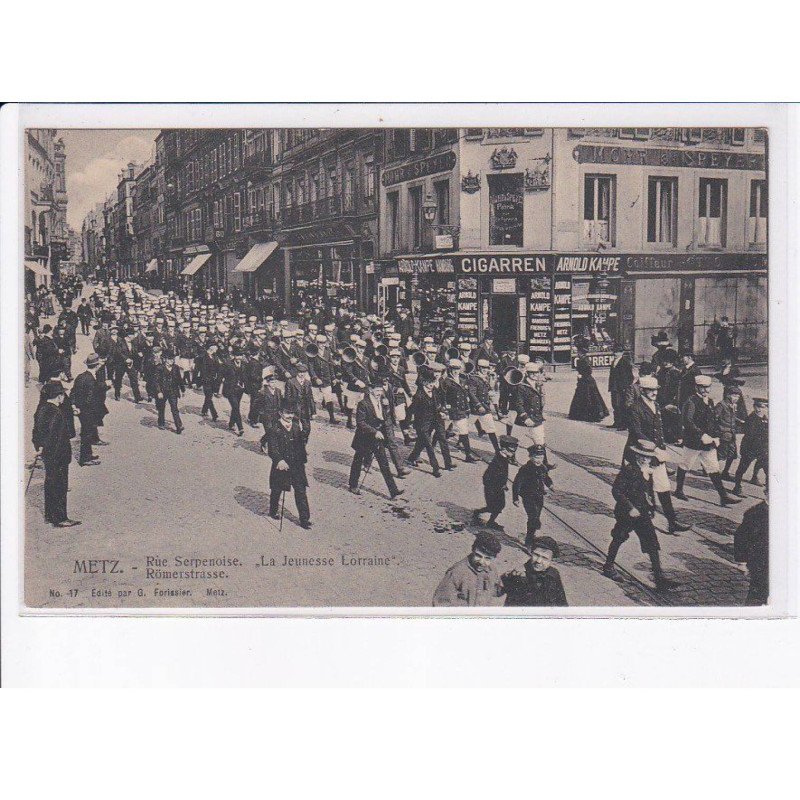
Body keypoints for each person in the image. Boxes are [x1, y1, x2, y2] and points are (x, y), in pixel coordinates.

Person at [602, 440, 674, 592]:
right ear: (636, 455)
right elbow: (616, 491)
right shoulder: (629, 470)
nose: (644, 459)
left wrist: (652, 507)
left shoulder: (648, 470)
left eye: (647, 457)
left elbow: (649, 491)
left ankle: (659, 578)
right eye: (641, 456)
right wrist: (630, 508)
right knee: (619, 537)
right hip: (627, 513)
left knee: (652, 543)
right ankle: (608, 566)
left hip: (642, 512)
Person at [626, 375, 691, 535]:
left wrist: (669, 441)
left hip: (657, 455)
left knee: (663, 487)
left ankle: (672, 521)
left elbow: (659, 429)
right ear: (642, 390)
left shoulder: (655, 405)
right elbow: (637, 432)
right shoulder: (635, 408)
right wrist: (655, 448)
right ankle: (637, 517)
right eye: (650, 390)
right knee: (642, 488)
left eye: (655, 390)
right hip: (642, 455)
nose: (654, 393)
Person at [675, 375, 740, 507]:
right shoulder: (691, 402)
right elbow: (688, 422)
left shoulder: (710, 401)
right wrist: (701, 435)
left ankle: (723, 496)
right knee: (685, 465)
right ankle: (678, 490)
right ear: (696, 388)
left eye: (707, 387)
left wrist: (715, 436)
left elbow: (712, 421)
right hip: (694, 442)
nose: (705, 390)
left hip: (708, 442)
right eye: (702, 387)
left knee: (713, 468)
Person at [31, 381, 80, 527]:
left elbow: (36, 432)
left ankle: (50, 515)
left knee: (50, 484)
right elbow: (55, 437)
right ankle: (60, 518)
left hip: (47, 455)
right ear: (59, 396)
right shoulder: (57, 413)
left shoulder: (41, 408)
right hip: (58, 456)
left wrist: (39, 447)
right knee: (60, 486)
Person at [348, 381, 404, 499]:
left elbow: (384, 418)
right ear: (370, 390)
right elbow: (360, 422)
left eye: (381, 390)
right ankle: (353, 485)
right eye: (377, 390)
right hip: (363, 438)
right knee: (358, 462)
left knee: (384, 464)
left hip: (377, 439)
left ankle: (393, 490)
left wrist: (387, 408)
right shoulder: (363, 403)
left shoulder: (382, 402)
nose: (379, 393)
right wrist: (374, 431)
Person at [266, 403, 312, 529]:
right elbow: (273, 448)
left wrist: (303, 449)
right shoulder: (275, 428)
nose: (290, 416)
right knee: (277, 489)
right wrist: (279, 460)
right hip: (282, 465)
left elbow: (300, 443)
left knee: (301, 491)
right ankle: (273, 510)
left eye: (292, 413)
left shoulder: (296, 427)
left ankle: (304, 519)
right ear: (280, 413)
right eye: (287, 413)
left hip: (297, 465)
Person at [432, 532, 505, 607]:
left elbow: (493, 591)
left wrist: (506, 584)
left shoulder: (491, 570)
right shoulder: (457, 572)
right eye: (478, 555)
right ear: (472, 550)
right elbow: (440, 604)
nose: (481, 562)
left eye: (487, 558)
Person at [502, 536, 568, 606]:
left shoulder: (553, 574)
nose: (539, 561)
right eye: (536, 555)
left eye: (545, 558)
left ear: (551, 560)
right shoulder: (518, 574)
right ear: (531, 553)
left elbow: (562, 603)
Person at [472, 435, 518, 530]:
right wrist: (494, 486)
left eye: (513, 451)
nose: (512, 453)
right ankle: (478, 513)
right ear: (504, 449)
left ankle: (490, 521)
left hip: (499, 487)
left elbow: (503, 474)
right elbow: (489, 476)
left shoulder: (504, 458)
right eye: (511, 451)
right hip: (492, 488)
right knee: (493, 506)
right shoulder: (498, 460)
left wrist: (503, 484)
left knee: (500, 505)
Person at [512, 444, 554, 550]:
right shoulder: (525, 469)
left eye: (541, 457)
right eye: (536, 457)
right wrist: (515, 498)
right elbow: (517, 483)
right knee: (533, 517)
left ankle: (532, 532)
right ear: (530, 457)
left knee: (536, 516)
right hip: (528, 496)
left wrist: (550, 484)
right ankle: (529, 541)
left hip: (539, 496)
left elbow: (546, 478)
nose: (538, 460)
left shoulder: (543, 468)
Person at [733, 487, 769, 605]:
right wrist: (742, 562)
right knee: (757, 593)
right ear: (766, 493)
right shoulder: (755, 513)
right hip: (761, 562)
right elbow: (741, 537)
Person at [70, 353, 107, 466]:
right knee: (86, 434)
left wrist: (74, 406)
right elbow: (90, 399)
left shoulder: (81, 376)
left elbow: (73, 392)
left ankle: (88, 454)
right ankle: (84, 458)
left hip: (82, 411)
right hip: (88, 411)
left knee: (87, 433)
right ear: (96, 366)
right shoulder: (91, 380)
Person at [441, 358, 480, 463]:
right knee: (440, 432)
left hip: (460, 411)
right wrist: (445, 410)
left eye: (457, 369)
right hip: (450, 411)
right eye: (453, 368)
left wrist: (467, 408)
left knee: (464, 432)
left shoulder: (462, 380)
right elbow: (443, 397)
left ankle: (468, 455)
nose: (455, 371)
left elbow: (464, 395)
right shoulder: (446, 381)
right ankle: (426, 448)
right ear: (449, 369)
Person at [733, 398, 769, 496]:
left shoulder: (766, 419)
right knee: (742, 469)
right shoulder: (751, 419)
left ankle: (768, 491)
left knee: (768, 470)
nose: (759, 409)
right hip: (750, 448)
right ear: (754, 406)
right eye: (757, 406)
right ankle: (737, 487)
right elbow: (749, 436)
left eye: (763, 407)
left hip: (762, 449)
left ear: (766, 408)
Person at [568, 343, 609, 422]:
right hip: (584, 381)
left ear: (582, 353)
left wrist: (581, 375)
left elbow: (589, 371)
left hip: (587, 381)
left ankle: (591, 414)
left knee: (589, 397)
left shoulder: (585, 360)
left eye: (578, 353)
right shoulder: (582, 359)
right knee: (586, 397)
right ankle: (584, 414)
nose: (578, 354)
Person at [154, 351, 184, 433]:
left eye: (173, 359)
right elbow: (156, 381)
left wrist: (183, 389)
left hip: (173, 391)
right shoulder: (159, 368)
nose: (172, 361)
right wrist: (159, 391)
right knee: (161, 408)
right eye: (170, 359)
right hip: (163, 392)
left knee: (174, 409)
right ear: (165, 360)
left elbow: (180, 379)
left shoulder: (176, 367)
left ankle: (178, 426)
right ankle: (161, 423)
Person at [222, 349, 247, 436]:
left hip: (240, 390)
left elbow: (245, 376)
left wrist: (244, 384)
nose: (239, 358)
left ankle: (231, 423)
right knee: (236, 407)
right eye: (237, 355)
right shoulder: (228, 364)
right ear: (234, 356)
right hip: (230, 389)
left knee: (235, 407)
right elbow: (222, 376)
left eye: (240, 355)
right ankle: (240, 428)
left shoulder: (244, 364)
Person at [608, 348, 634, 430]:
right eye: (615, 351)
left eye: (618, 352)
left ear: (622, 352)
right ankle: (617, 422)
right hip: (614, 387)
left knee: (622, 406)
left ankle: (624, 424)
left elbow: (630, 376)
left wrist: (626, 387)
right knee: (615, 405)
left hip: (622, 388)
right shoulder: (613, 362)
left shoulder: (625, 362)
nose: (615, 353)